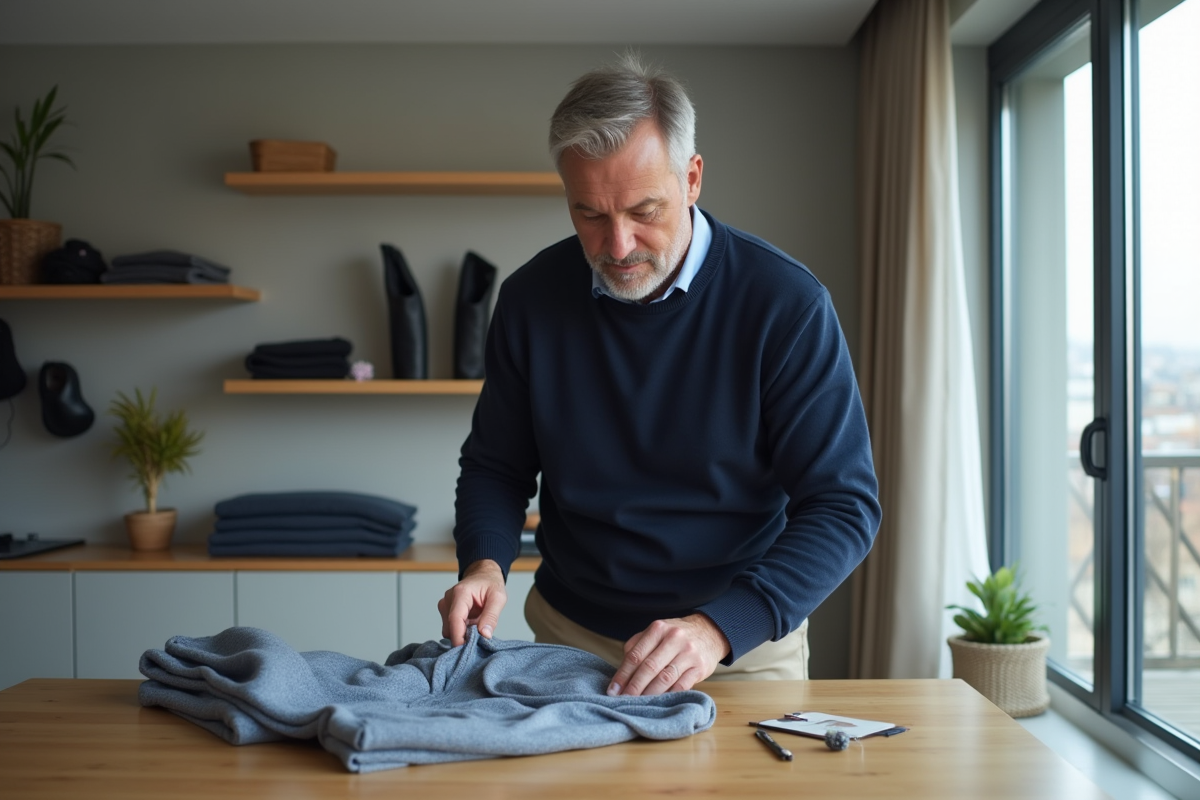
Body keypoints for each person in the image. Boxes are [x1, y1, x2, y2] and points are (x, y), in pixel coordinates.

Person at [439, 53, 881, 697]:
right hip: (570, 639)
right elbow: (496, 466)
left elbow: (844, 506)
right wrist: (484, 562)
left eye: (644, 210)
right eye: (589, 213)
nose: (617, 246)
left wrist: (717, 628)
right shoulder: (531, 298)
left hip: (738, 646)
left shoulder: (786, 304)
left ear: (693, 178)